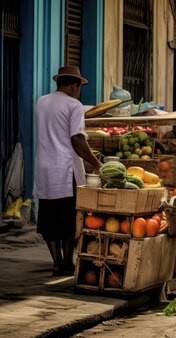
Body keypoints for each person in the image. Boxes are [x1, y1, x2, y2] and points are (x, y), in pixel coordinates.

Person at [34, 66, 101, 276]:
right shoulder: (74, 105)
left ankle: (56, 262)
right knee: (70, 218)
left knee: (48, 216)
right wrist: (95, 162)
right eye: (79, 87)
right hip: (65, 170)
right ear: (74, 86)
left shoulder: (41, 101)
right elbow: (77, 139)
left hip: (44, 167)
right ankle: (68, 262)